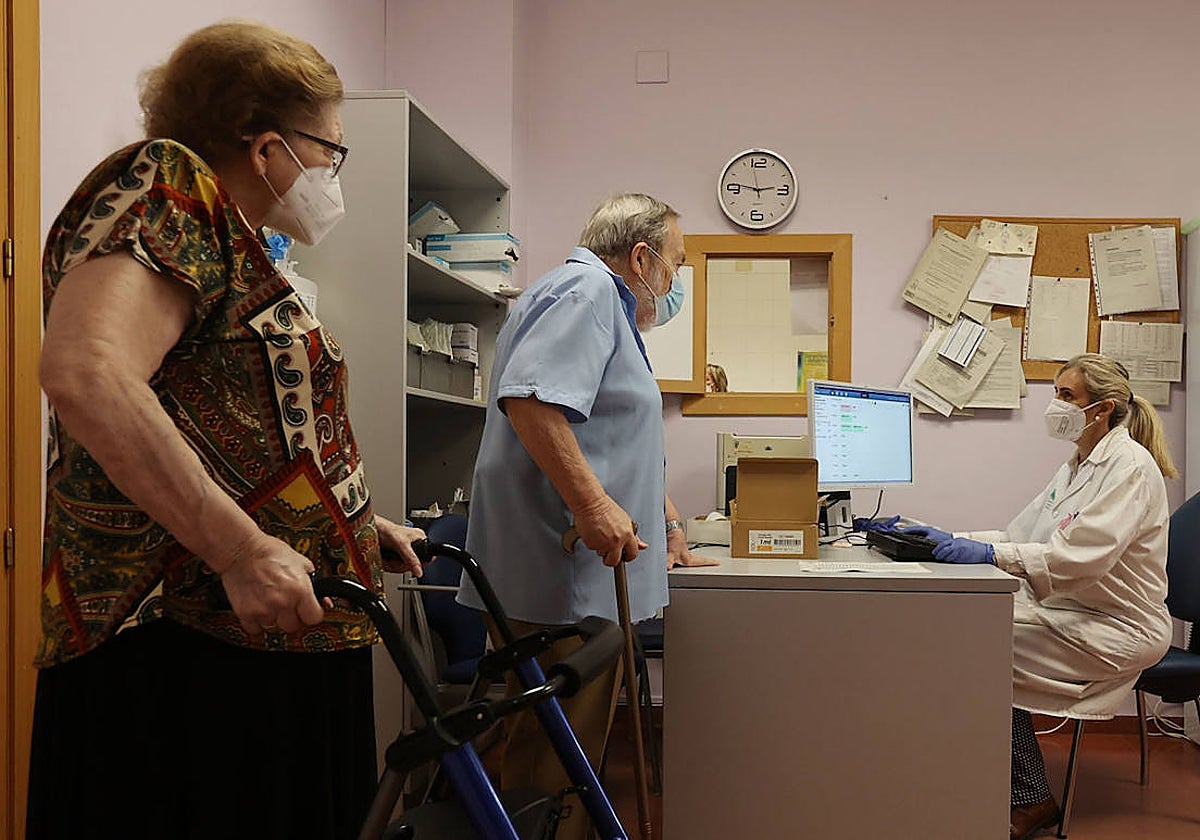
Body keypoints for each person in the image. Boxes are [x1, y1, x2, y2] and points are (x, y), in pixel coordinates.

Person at [29, 22, 426, 839]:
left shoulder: (236, 240)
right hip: (192, 646)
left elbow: (227, 419)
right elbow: (87, 372)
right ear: (268, 148)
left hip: (266, 634)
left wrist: (346, 525)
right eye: (331, 151)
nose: (332, 175)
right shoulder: (167, 183)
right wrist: (241, 550)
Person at [458, 193, 710, 840]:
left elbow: (617, 437)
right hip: (566, 572)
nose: (677, 281)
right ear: (641, 257)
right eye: (677, 263)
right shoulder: (586, 291)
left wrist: (669, 524)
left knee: (565, 752)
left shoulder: (602, 305)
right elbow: (532, 403)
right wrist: (595, 506)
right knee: (555, 759)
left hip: (581, 568)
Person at [900, 353, 1176, 840]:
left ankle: (1030, 798)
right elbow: (1020, 536)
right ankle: (991, 778)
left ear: (1102, 409)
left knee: (974, 647)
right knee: (967, 631)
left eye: (1067, 395)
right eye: (1056, 392)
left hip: (1118, 627)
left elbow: (1077, 559)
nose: (1055, 405)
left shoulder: (1129, 467)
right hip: (1076, 610)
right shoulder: (1077, 466)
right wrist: (946, 537)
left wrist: (987, 554)